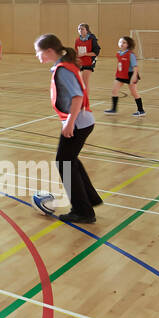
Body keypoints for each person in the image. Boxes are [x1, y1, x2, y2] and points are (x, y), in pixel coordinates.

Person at [31, 34, 103, 224]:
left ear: (48, 51)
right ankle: (90, 199)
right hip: (83, 121)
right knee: (70, 160)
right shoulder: (64, 66)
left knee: (64, 162)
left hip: (78, 122)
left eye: (39, 52)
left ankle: (83, 211)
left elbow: (77, 97)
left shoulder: (63, 69)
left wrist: (70, 123)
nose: (38, 56)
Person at [104, 36, 145, 116]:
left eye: (124, 42)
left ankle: (141, 110)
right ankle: (114, 109)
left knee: (134, 93)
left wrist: (134, 76)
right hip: (121, 75)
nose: (121, 44)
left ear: (128, 44)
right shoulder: (118, 53)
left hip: (130, 75)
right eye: (120, 42)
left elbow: (135, 67)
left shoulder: (130, 54)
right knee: (114, 91)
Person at [75, 23, 100, 91]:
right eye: (79, 29)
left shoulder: (92, 40)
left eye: (82, 29)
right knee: (79, 82)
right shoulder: (77, 40)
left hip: (89, 62)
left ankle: (85, 100)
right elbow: (77, 52)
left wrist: (85, 54)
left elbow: (96, 53)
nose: (80, 30)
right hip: (80, 62)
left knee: (84, 81)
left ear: (87, 30)